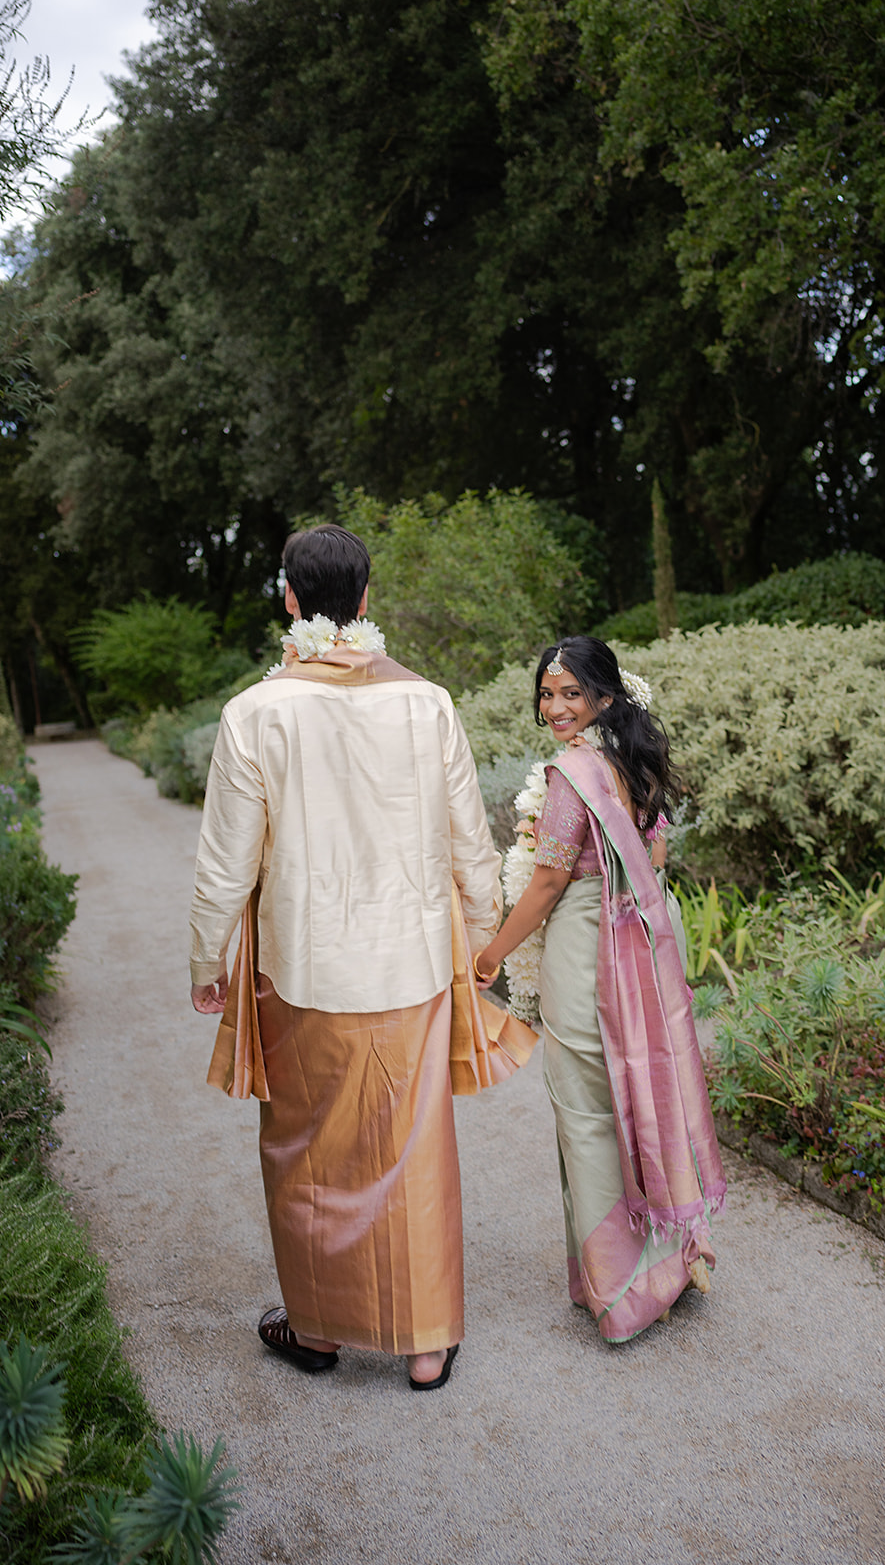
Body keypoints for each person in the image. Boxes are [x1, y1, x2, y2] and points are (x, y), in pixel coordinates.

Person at [189, 522, 519, 1389]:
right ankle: (424, 1345)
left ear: (290, 600)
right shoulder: (428, 702)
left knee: (305, 1150)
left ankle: (320, 1332)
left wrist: (204, 959)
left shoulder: (254, 711)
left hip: (301, 965)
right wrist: (484, 937)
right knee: (414, 1147)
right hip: (410, 964)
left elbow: (227, 858)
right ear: (366, 601)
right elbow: (467, 840)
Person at [473, 636, 726, 1341]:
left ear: (604, 699)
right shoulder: (632, 764)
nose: (555, 707)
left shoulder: (573, 774)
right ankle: (671, 1263)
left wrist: (491, 953)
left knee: (587, 1112)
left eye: (570, 694)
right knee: (642, 1095)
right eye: (547, 694)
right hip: (642, 940)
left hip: (587, 944)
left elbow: (550, 880)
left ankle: (619, 1291)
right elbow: (656, 857)